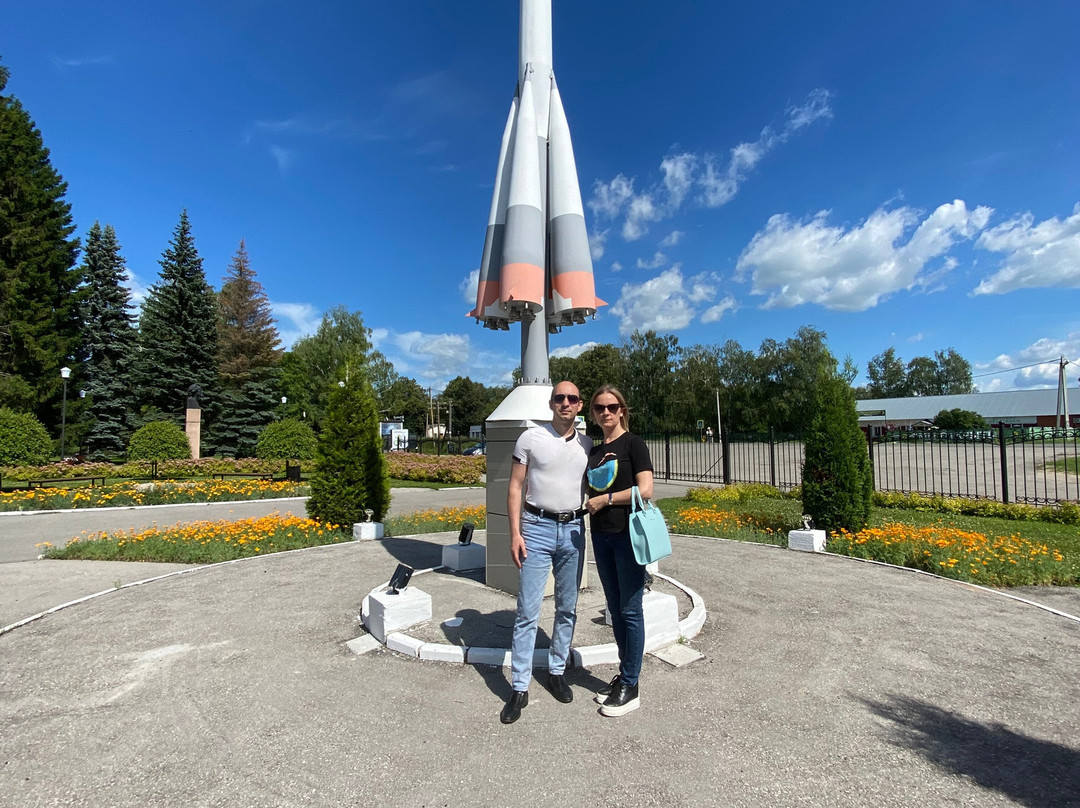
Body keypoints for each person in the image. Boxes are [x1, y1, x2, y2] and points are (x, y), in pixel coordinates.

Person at [500, 381, 593, 725]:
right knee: (528, 611)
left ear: (580, 405)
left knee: (567, 607)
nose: (565, 403)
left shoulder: (587, 444)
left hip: (572, 530)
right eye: (559, 398)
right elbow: (514, 487)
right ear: (551, 403)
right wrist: (514, 533)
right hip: (536, 529)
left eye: (571, 399)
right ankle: (520, 686)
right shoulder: (530, 438)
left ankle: (557, 670)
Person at [584, 384, 654, 718]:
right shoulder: (594, 452)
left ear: (622, 410)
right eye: (599, 408)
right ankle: (624, 676)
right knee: (614, 608)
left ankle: (631, 685)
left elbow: (647, 489)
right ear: (594, 413)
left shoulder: (633, 444)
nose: (606, 413)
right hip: (601, 536)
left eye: (612, 407)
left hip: (628, 536)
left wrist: (607, 499)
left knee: (630, 610)